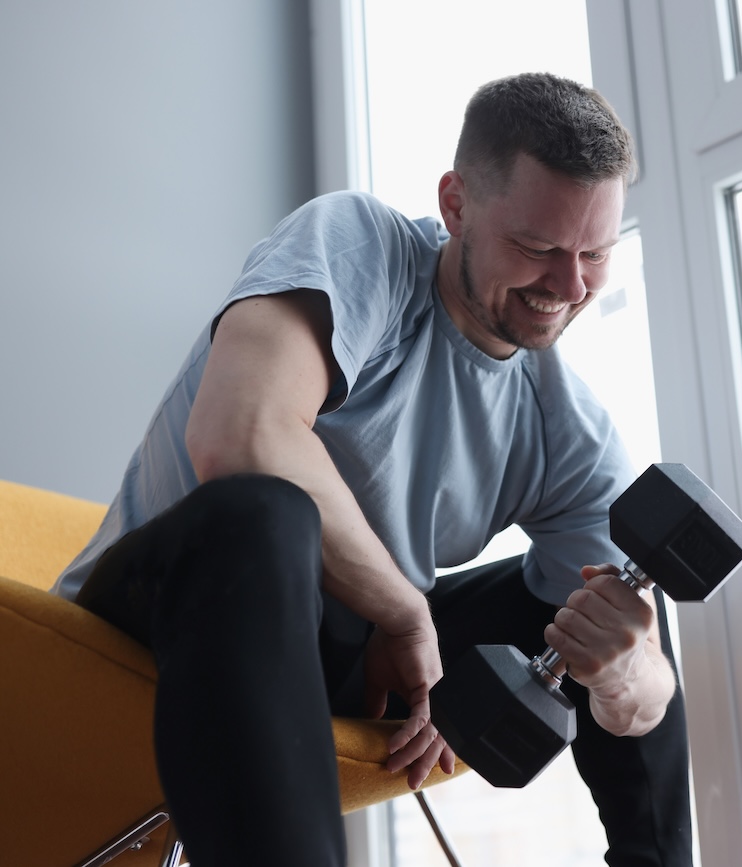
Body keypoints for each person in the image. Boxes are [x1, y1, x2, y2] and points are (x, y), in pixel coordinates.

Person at [52, 72, 691, 867]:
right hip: (159, 617)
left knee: (608, 596)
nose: (570, 287)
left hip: (338, 655)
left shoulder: (566, 426)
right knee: (261, 512)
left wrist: (620, 668)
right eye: (538, 249)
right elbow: (238, 434)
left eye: (595, 254)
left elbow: (648, 692)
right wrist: (404, 611)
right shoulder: (362, 247)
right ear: (456, 204)